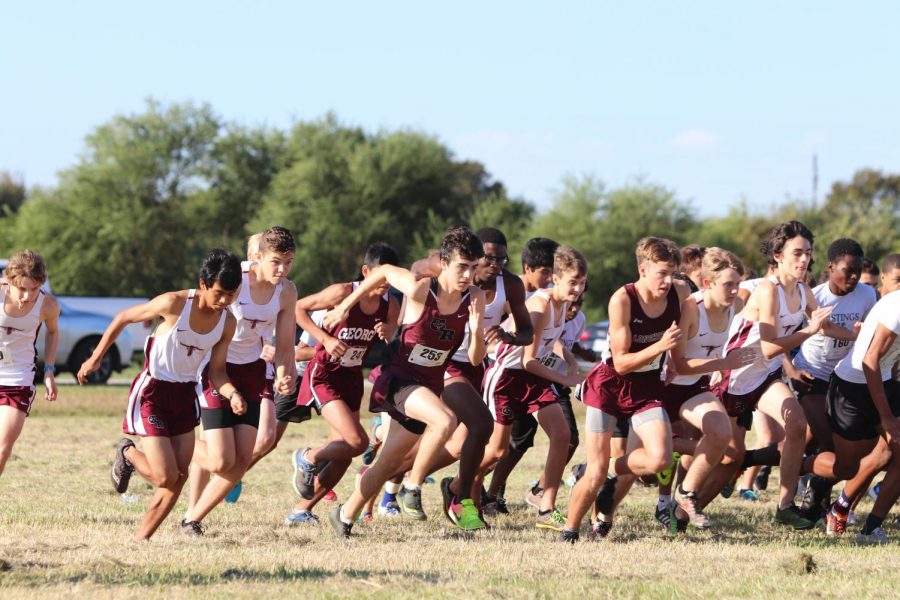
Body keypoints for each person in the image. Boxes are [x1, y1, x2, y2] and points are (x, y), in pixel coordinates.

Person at [326, 227, 487, 536]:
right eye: (461, 267)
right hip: (400, 380)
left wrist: (477, 329)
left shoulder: (475, 298)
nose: (468, 275)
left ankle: (344, 516)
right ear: (443, 262)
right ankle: (412, 487)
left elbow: (477, 359)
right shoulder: (420, 289)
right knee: (445, 420)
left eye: (472, 267)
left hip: (428, 385)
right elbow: (383, 271)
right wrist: (345, 306)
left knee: (387, 464)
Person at [78, 249, 243, 540]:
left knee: (179, 478)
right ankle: (128, 453)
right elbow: (124, 317)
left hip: (184, 396)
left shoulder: (227, 323)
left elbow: (217, 372)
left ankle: (141, 541)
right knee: (165, 476)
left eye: (231, 294)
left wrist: (232, 394)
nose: (225, 301)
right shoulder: (174, 303)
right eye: (219, 293)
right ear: (203, 284)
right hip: (153, 392)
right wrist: (95, 359)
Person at [714, 221, 847, 530]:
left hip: (764, 375)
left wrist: (859, 334)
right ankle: (680, 502)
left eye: (808, 253)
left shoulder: (802, 289)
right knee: (725, 455)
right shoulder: (768, 290)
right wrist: (808, 331)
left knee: (796, 425)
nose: (804, 260)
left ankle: (784, 507)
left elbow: (822, 326)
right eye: (797, 253)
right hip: (732, 375)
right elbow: (772, 346)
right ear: (778, 255)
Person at [563, 237, 690, 542]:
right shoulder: (622, 300)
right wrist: (660, 347)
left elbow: (679, 336)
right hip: (609, 386)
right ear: (642, 269)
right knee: (594, 475)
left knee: (659, 459)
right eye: (662, 273)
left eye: (672, 273)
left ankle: (604, 468)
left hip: (647, 388)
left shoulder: (681, 292)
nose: (668, 281)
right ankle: (569, 531)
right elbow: (620, 363)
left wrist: (673, 360)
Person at [287, 242, 401, 523]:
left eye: (392, 277)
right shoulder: (342, 292)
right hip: (325, 374)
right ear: (366, 271)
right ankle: (307, 456)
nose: (386, 283)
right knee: (357, 441)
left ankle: (301, 510)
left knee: (345, 453)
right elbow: (298, 308)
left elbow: (393, 330)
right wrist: (324, 338)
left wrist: (390, 330)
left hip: (352, 377)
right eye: (381, 276)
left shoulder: (391, 304)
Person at [480, 246, 587, 530]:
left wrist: (571, 360)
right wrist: (564, 379)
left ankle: (546, 507)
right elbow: (528, 360)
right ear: (556, 278)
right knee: (497, 451)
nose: (578, 288)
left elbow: (551, 341)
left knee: (563, 435)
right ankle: (459, 487)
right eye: (573, 282)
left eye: (582, 282)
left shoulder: (562, 305)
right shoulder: (540, 306)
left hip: (533, 380)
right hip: (506, 376)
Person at [661, 248, 757, 529]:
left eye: (737, 283)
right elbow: (679, 365)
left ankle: (686, 495)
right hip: (662, 388)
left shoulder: (736, 306)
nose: (735, 290)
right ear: (707, 283)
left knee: (721, 433)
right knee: (644, 468)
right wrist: (722, 362)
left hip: (693, 389)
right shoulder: (691, 308)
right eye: (728, 284)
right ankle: (598, 477)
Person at [822, 279, 900, 541]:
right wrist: (887, 416)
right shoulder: (898, 307)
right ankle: (790, 468)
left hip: (884, 380)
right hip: (852, 386)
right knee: (846, 466)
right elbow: (870, 360)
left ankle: (870, 526)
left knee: (890, 452)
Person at [486, 237, 559, 510]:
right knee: (492, 442)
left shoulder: (551, 296)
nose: (550, 277)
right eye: (545, 271)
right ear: (527, 268)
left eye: (554, 272)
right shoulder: (513, 291)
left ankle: (494, 492)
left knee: (524, 438)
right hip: (501, 369)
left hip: (533, 372)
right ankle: (469, 487)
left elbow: (548, 335)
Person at [0, 250, 60, 478]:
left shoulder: (48, 305)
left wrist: (49, 371)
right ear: (9, 282)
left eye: (33, 289)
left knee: (3, 450)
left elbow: (53, 332)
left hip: (18, 379)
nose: (27, 296)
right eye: (21, 289)